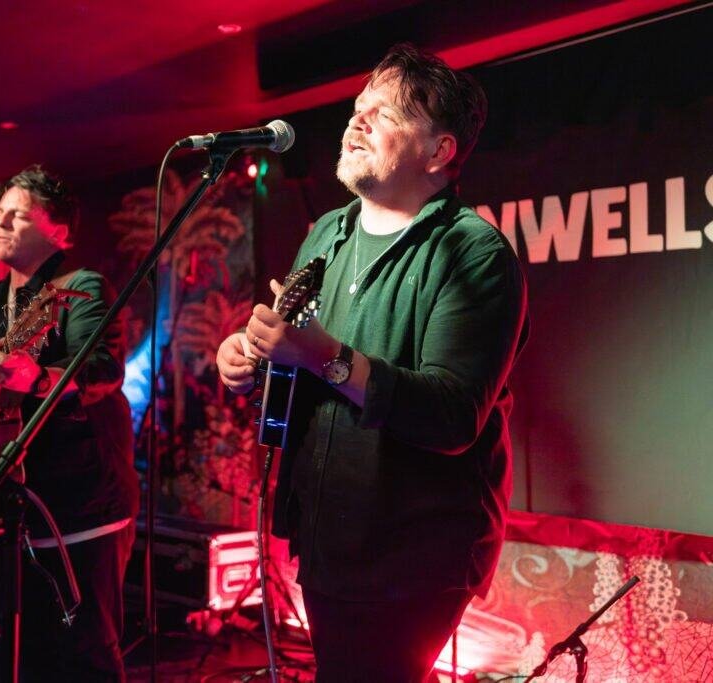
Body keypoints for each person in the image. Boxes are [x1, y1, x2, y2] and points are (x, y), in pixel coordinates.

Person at [217, 44, 529, 682]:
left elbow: (451, 415)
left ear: (439, 151)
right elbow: (300, 371)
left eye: (383, 114)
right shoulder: (327, 232)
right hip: (326, 536)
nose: (356, 122)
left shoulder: (473, 253)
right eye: (358, 110)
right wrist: (252, 362)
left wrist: (323, 356)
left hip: (412, 551)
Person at [0, 165, 139, 681]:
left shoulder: (80, 287)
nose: (1, 223)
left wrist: (35, 375)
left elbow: (101, 369)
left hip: (80, 505)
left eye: (18, 215)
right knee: (24, 656)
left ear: (60, 231)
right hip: (10, 512)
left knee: (85, 656)